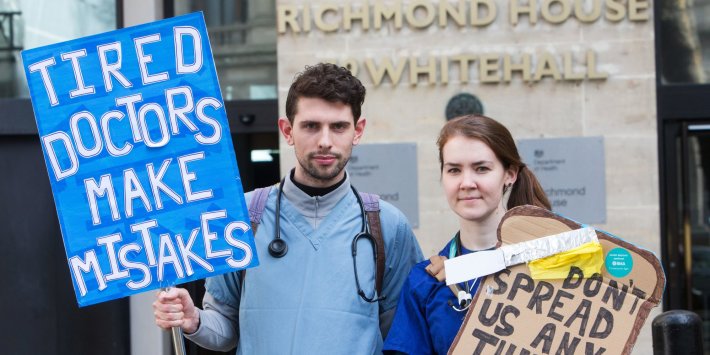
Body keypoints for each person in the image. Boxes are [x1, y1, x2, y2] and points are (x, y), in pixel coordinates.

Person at [153, 63, 423, 354]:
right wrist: (193, 320)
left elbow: (403, 336)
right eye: (311, 126)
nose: (325, 141)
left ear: (357, 131)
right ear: (287, 130)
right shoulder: (243, 216)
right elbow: (225, 327)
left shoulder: (387, 227)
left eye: (338, 127)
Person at [383, 114, 551, 355]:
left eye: (481, 168)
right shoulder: (425, 281)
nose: (466, 182)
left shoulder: (553, 262)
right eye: (454, 170)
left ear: (510, 174)